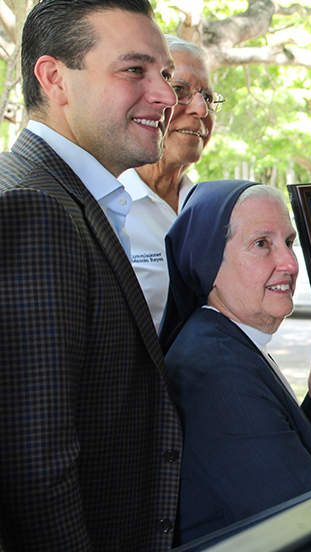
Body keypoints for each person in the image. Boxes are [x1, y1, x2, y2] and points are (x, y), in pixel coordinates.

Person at [0, 1, 182, 550]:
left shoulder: (84, 199)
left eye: (166, 74)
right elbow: (36, 468)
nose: (167, 95)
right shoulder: (37, 208)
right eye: (135, 70)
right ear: (55, 78)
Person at [159, 180, 311, 545]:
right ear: (209, 261)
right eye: (262, 244)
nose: (290, 263)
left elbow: (268, 464)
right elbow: (304, 522)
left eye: (289, 243)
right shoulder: (219, 372)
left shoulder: (222, 340)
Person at [119, 35, 222, 329]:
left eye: (209, 98)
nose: (202, 110)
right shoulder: (108, 206)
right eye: (180, 90)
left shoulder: (211, 212)